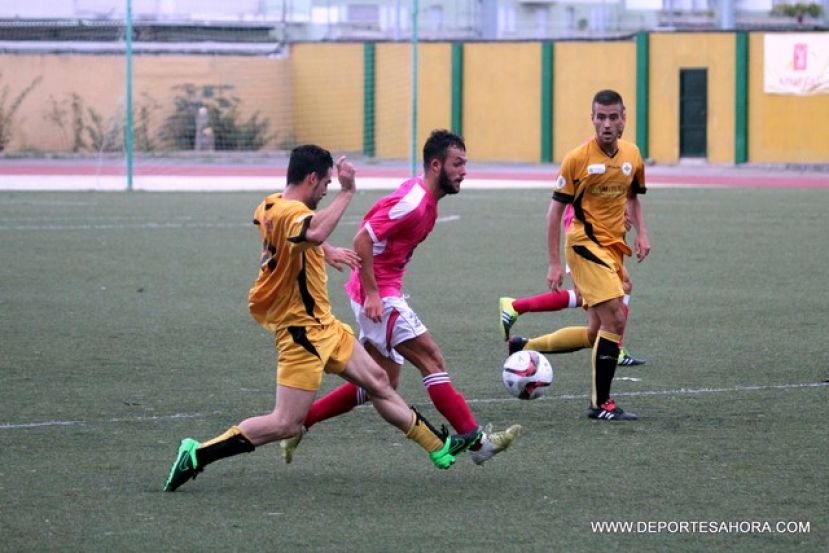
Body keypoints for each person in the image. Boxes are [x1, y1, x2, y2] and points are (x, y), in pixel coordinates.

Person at [163, 145, 481, 492]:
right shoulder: (290, 213)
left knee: (378, 381)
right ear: (312, 178)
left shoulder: (269, 205)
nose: (327, 189)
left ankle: (437, 445)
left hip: (325, 325)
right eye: (326, 183)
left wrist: (325, 251)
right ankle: (198, 454)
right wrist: (347, 192)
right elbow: (311, 231)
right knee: (286, 423)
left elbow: (300, 237)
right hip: (301, 333)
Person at [279, 130, 521, 466]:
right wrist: (374, 294)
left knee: (382, 381)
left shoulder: (424, 198)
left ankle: (300, 424)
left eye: (465, 164)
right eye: (457, 164)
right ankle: (477, 443)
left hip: (375, 291)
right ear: (436, 165)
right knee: (431, 360)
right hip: (379, 296)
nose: (464, 171)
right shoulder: (415, 204)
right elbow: (363, 238)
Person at [509, 90, 650, 422]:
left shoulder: (632, 154)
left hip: (614, 248)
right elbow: (554, 214)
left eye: (613, 117)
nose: (606, 124)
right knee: (616, 317)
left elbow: (633, 196)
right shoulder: (577, 159)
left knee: (594, 332)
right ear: (592, 119)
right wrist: (554, 262)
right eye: (600, 117)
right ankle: (601, 404)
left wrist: (642, 232)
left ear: (624, 118)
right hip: (584, 245)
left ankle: (524, 345)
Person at [499, 207, 646, 367]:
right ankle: (616, 349)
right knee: (618, 287)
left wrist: (622, 217)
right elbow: (561, 204)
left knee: (595, 332)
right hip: (585, 234)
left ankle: (523, 343)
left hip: (604, 232)